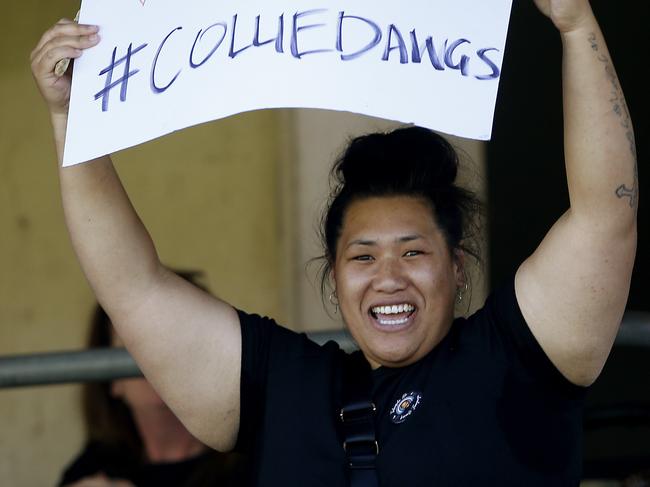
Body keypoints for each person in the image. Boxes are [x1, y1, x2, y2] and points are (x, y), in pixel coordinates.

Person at [31, 0, 637, 485]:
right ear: (335, 277)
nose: (388, 275)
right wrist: (70, 119)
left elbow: (605, 213)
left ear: (457, 267)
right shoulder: (282, 385)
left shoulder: (516, 360)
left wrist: (576, 22)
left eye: (414, 251)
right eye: (363, 256)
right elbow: (132, 288)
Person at [58, 272, 248, 487]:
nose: (158, 358)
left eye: (177, 335)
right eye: (136, 342)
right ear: (112, 380)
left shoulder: (254, 462)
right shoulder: (93, 467)